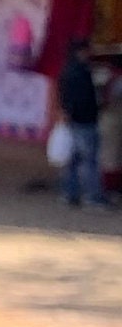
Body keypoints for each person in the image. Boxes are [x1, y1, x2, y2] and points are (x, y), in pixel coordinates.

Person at [57, 39, 105, 207]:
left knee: (74, 160)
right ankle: (92, 196)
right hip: (84, 120)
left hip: (74, 119)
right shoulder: (82, 72)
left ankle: (70, 193)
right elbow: (85, 98)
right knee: (89, 160)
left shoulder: (67, 70)